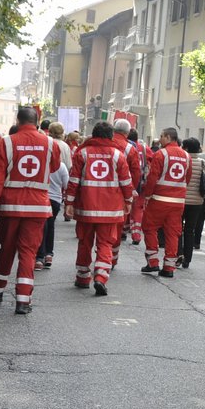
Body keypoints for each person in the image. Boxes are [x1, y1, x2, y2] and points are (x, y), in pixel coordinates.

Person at [0, 106, 65, 314]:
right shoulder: (50, 143)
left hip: (10, 207)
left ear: (18, 121)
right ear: (37, 122)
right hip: (38, 208)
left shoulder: (6, 142)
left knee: (7, 248)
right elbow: (54, 167)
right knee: (29, 252)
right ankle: (23, 299)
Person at [64, 121, 133, 297]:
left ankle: (82, 276)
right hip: (111, 210)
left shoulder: (82, 153)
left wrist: (69, 203)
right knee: (106, 243)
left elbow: (73, 181)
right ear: (111, 136)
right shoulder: (118, 155)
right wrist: (129, 201)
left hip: (86, 208)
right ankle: (101, 277)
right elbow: (126, 182)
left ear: (93, 135)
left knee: (84, 242)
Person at [140, 127, 191, 278]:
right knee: (173, 233)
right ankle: (169, 267)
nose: (160, 139)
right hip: (178, 202)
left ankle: (153, 262)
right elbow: (187, 179)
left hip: (159, 199)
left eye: (162, 136)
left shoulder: (161, 154)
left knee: (149, 227)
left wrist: (147, 195)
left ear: (168, 137)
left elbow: (152, 177)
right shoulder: (186, 156)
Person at [37, 122, 69, 270]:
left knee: (41, 227)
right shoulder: (64, 154)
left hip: (41, 196)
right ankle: (49, 254)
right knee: (50, 226)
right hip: (55, 198)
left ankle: (39, 256)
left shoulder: (40, 159)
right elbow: (67, 179)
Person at [112, 118, 146, 247]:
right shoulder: (131, 149)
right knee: (118, 221)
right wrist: (132, 189)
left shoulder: (105, 142)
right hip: (122, 190)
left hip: (98, 189)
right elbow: (136, 172)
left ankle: (100, 255)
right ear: (127, 132)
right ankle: (110, 257)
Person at [177, 138, 205, 270]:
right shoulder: (202, 163)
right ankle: (187, 259)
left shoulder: (183, 160)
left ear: (186, 148)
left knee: (177, 229)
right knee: (190, 230)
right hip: (197, 202)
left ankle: (178, 254)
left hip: (181, 199)